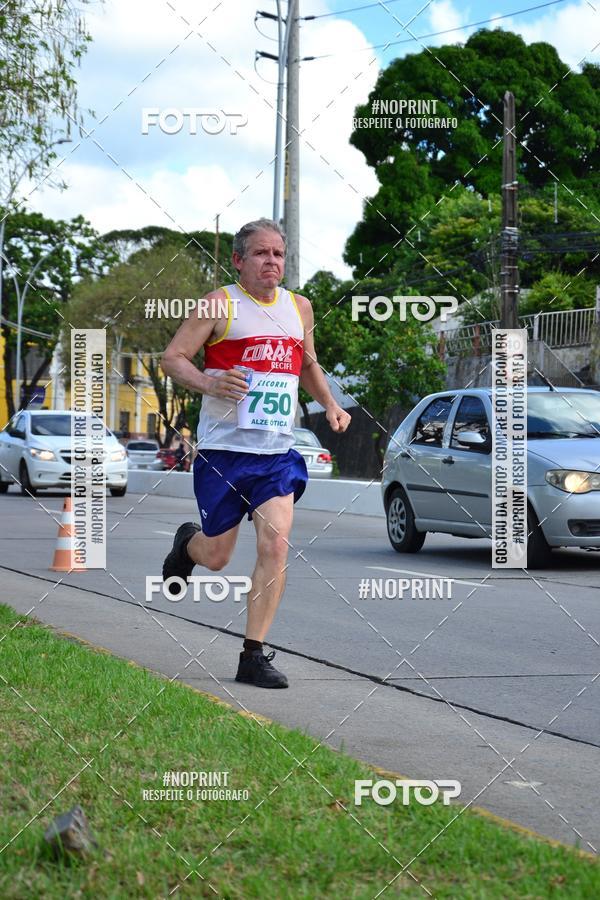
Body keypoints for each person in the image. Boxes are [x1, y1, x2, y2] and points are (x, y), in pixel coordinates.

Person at [160, 218, 350, 688]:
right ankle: (188, 545)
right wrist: (209, 383)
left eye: (278, 254)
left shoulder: (299, 307)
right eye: (262, 253)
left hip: (276, 454)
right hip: (224, 452)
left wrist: (330, 403)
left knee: (275, 544)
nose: (272, 262)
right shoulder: (219, 304)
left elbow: (306, 364)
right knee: (217, 556)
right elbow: (173, 358)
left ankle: (253, 655)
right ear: (238, 260)